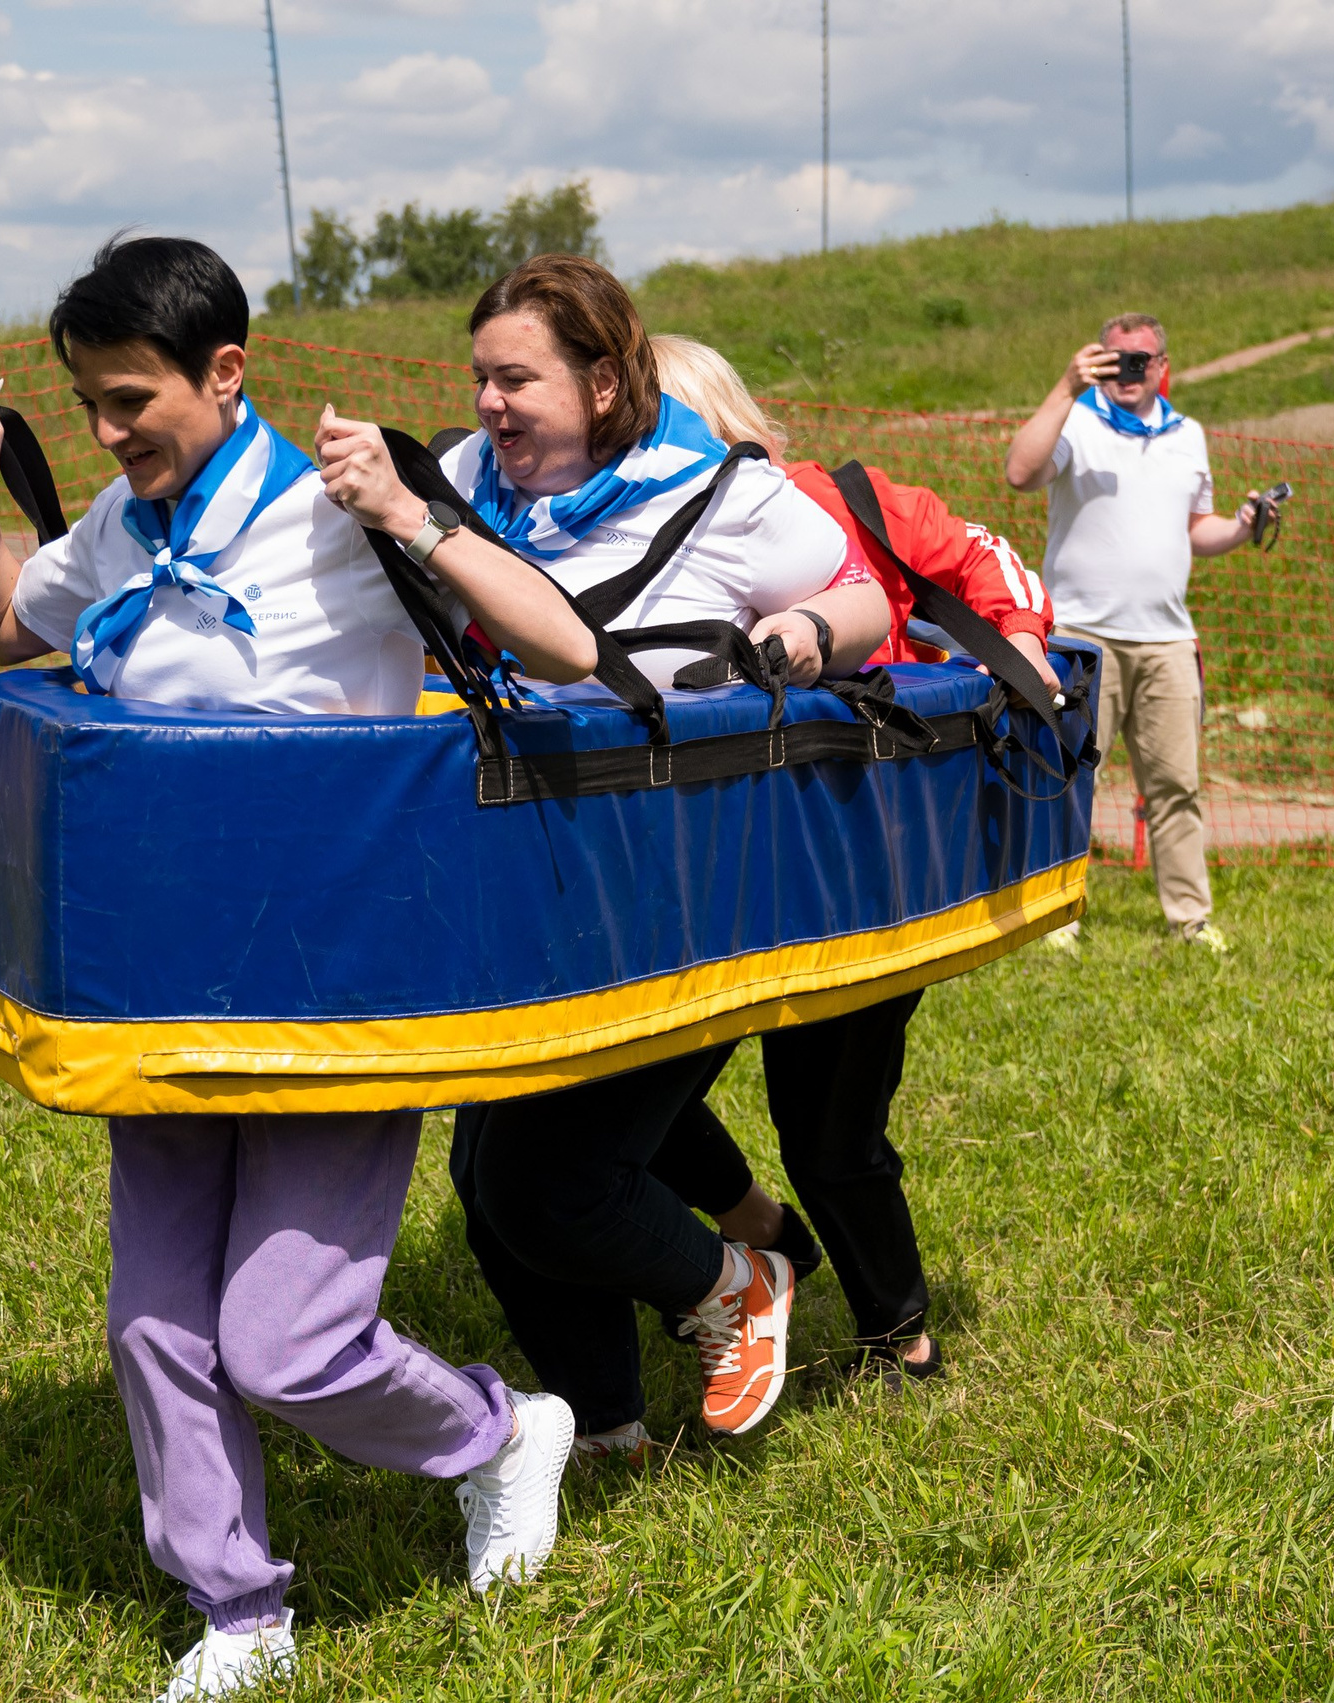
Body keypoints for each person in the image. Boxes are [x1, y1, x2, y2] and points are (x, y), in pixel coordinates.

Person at [0, 235, 596, 1702]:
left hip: (337, 985)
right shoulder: (116, 520)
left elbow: (564, 647)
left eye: (129, 400)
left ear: (227, 373)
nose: (107, 433)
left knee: (285, 1339)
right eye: (87, 404)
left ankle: (494, 1430)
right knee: (158, 1321)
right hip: (159, 978)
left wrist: (412, 515)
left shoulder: (336, 510)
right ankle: (240, 1608)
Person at [314, 256, 894, 1457]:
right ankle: (611, 1426)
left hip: (686, 884)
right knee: (489, 1185)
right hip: (521, 877)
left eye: (515, 378)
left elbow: (867, 604)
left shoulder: (725, 491)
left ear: (606, 377)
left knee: (547, 1180)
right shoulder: (469, 478)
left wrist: (795, 635)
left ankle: (736, 1282)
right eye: (478, 377)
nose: (488, 405)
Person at [558, 335, 1060, 1453]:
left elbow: (995, 573)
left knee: (829, 1127)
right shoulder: (607, 532)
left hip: (850, 878)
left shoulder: (842, 504)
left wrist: (1012, 662)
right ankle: (756, 1239)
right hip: (695, 884)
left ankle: (900, 1333)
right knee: (620, 1085)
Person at [1003, 311, 1276, 954]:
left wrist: (1239, 526)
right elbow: (1019, 472)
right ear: (1097, 360)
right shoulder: (1076, 421)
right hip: (1081, 638)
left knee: (1176, 787)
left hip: (1168, 643)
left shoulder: (1189, 436)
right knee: (1065, 777)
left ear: (1163, 367)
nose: (1129, 371)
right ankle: (1053, 918)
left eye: (1142, 359)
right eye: (1115, 358)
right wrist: (1066, 387)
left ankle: (1191, 920)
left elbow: (1195, 528)